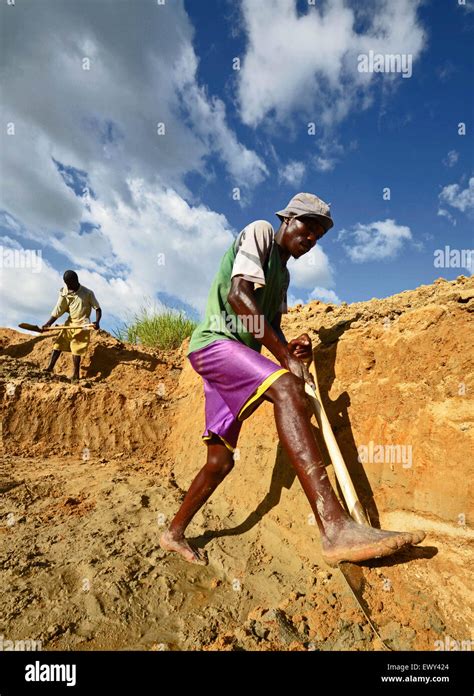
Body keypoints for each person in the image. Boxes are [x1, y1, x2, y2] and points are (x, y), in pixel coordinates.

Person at [160, 193, 425, 566]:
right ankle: (335, 529)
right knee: (285, 386)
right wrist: (283, 359)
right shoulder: (261, 233)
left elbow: (271, 329)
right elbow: (239, 297)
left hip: (237, 358)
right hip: (214, 344)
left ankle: (172, 532)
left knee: (220, 462)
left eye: (318, 235)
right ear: (287, 220)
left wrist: (291, 348)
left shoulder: (282, 276)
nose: (312, 238)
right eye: (308, 227)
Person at [42, 270, 102, 382]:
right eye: (67, 284)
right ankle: (50, 368)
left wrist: (97, 322)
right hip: (70, 323)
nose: (69, 287)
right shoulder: (65, 292)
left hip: (83, 324)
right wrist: (48, 323)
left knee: (76, 347)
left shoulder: (87, 293)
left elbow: (98, 309)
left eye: (70, 284)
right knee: (58, 343)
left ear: (76, 281)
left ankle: (75, 375)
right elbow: (58, 310)